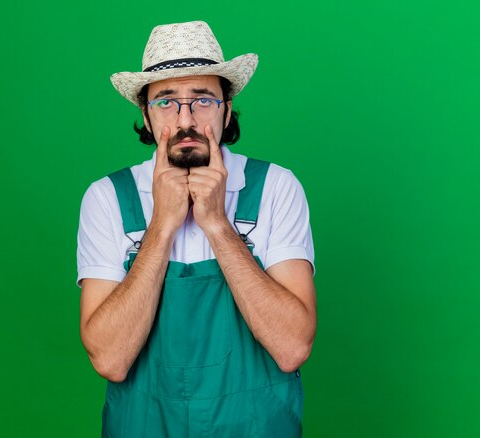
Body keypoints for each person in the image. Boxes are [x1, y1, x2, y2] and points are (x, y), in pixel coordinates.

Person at [77, 20, 316, 437]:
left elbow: (293, 347)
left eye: (203, 99)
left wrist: (219, 226)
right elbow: (110, 359)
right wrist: (162, 227)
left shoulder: (277, 187)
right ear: (146, 117)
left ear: (226, 108)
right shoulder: (107, 198)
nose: (185, 119)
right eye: (166, 102)